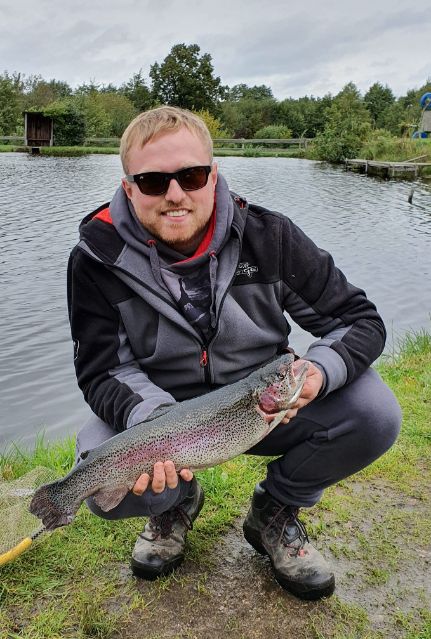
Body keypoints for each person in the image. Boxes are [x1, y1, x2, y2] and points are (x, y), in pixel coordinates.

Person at [68, 106, 401, 601]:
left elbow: (358, 320)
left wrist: (317, 371)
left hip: (266, 407)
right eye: (154, 181)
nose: (175, 194)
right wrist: (154, 423)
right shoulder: (96, 259)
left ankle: (276, 510)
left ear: (213, 174)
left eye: (191, 176)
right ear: (129, 187)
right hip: (163, 417)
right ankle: (174, 503)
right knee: (96, 470)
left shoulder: (270, 237)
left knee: (375, 412)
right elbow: (102, 372)